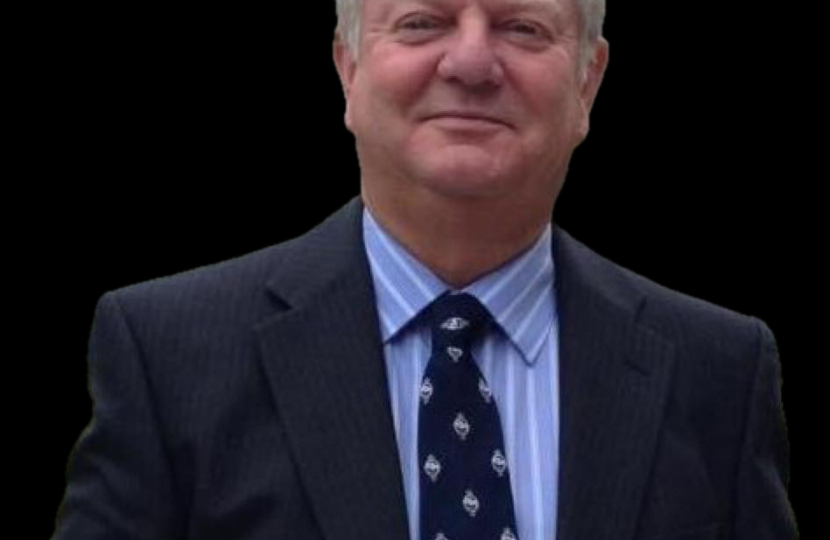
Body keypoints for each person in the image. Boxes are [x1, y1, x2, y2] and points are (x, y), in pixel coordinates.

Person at [53, 0, 798, 538]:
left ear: (587, 84)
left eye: (522, 27)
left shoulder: (720, 371)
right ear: (347, 68)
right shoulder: (168, 357)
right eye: (421, 22)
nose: (471, 63)